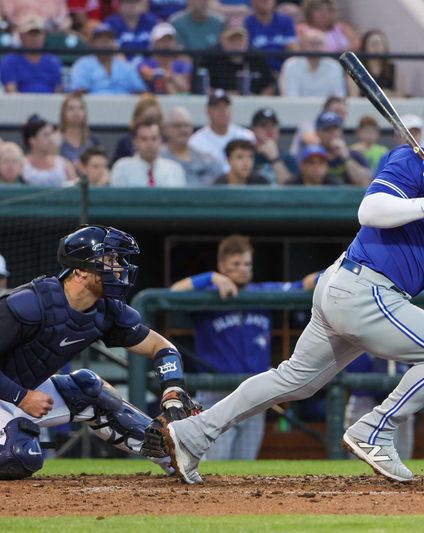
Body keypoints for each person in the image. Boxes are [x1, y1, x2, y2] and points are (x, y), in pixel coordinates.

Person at [156, 105, 424, 484]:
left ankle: (193, 434)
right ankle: (374, 430)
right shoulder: (413, 161)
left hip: (355, 287)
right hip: (364, 287)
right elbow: (370, 211)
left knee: (295, 380)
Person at [0, 224, 200, 479]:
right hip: (15, 394)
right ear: (81, 270)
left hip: (21, 393)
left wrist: (173, 390)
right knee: (18, 455)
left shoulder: (106, 310)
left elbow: (161, 347)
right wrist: (22, 397)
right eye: (109, 259)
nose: (119, 268)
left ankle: (170, 455)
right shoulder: (29, 304)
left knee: (89, 390)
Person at [170, 234, 316, 459]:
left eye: (247, 264)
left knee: (245, 465)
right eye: (235, 265)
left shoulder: (263, 292)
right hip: (216, 393)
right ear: (222, 266)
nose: (243, 269)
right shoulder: (209, 295)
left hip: (253, 392)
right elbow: (173, 294)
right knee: (216, 464)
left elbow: (303, 286)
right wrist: (210, 278)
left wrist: (336, 271)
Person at [197, 23, 277, 96]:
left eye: (240, 39)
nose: (237, 44)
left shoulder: (257, 57)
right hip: (221, 103)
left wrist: (257, 98)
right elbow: (203, 88)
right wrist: (224, 94)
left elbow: (270, 85)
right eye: (232, 40)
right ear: (222, 41)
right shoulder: (211, 58)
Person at [188, 90, 257, 173]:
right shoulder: (196, 141)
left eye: (225, 107)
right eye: (217, 107)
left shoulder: (246, 136)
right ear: (208, 111)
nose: (222, 111)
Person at [68, 23, 147, 94]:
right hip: (93, 107)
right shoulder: (82, 64)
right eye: (100, 39)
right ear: (92, 43)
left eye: (109, 39)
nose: (105, 42)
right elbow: (78, 93)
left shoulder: (125, 66)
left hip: (122, 107)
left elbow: (141, 91)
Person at [111, 122, 187, 187]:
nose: (150, 144)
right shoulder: (122, 168)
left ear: (161, 141)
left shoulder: (174, 169)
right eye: (144, 139)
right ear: (135, 142)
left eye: (154, 138)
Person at [161, 106, 223, 186]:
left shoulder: (207, 159)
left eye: (187, 126)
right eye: (177, 126)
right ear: (166, 129)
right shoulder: (158, 158)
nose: (183, 130)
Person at [0, 16, 63, 94]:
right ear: (21, 36)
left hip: (50, 104)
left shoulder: (52, 61)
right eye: (30, 34)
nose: (34, 38)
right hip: (20, 104)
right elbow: (11, 91)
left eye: (37, 34)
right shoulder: (10, 61)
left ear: (43, 36)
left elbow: (58, 90)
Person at [279, 27, 346, 98]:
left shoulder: (335, 66)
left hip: (328, 109)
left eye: (319, 44)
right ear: (303, 46)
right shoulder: (291, 65)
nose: (316, 47)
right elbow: (290, 97)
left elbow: (338, 97)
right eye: (312, 43)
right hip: (298, 108)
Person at [313, 111, 371, 186]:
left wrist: (346, 158)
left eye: (336, 128)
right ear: (318, 133)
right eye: (327, 129)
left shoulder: (354, 155)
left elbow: (365, 183)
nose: (333, 133)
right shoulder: (312, 157)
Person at [21, 114, 78, 187]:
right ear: (32, 140)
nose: (51, 139)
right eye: (46, 135)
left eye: (52, 134)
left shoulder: (65, 165)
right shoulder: (22, 165)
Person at [137, 22, 191, 94]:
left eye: (169, 40)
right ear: (154, 43)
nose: (167, 44)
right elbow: (146, 73)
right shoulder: (145, 63)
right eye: (162, 40)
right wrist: (169, 76)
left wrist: (169, 77)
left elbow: (185, 86)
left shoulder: (182, 65)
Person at [244, 0, 297, 72]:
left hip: (283, 70)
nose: (265, 1)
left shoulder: (286, 21)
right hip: (258, 71)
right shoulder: (247, 23)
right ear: (253, 2)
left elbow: (293, 48)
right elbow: (246, 50)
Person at [112, 94, 164, 164]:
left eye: (155, 119)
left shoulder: (167, 142)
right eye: (147, 119)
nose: (150, 123)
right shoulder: (125, 144)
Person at [250, 107, 294, 185]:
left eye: (273, 125)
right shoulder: (247, 155)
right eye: (264, 125)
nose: (269, 129)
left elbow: (291, 190)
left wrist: (275, 159)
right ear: (253, 130)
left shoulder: (287, 157)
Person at [349, 29, 396, 97]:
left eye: (380, 43)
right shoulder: (356, 70)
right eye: (373, 43)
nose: (376, 47)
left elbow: (401, 95)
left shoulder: (393, 69)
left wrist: (387, 94)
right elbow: (353, 96)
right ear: (365, 46)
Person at [58, 92, 101, 163]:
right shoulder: (56, 141)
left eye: (80, 108)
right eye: (71, 108)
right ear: (63, 113)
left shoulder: (93, 142)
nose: (76, 112)